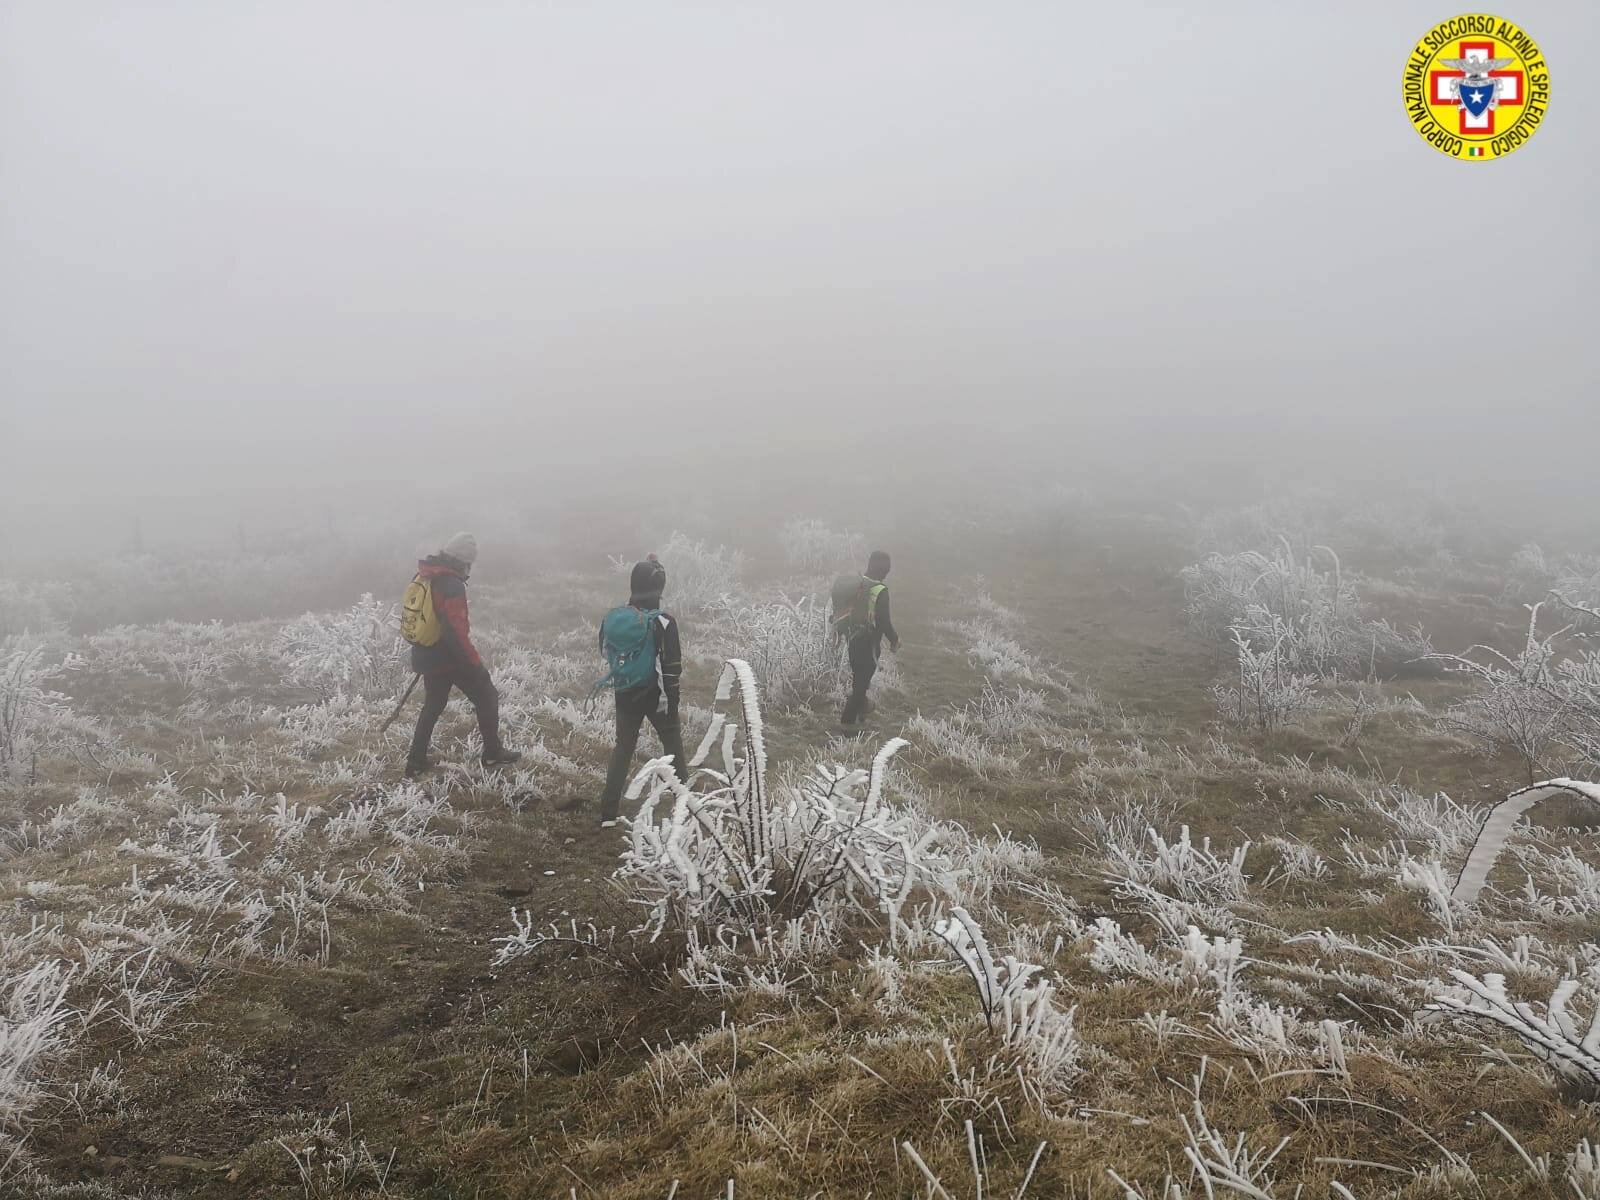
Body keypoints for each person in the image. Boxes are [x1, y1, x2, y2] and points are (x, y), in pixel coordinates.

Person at [563, 556, 685, 827]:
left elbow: (607, 651)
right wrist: (672, 702)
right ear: (659, 588)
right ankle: (684, 806)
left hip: (625, 691)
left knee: (623, 748)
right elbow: (672, 667)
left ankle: (608, 812)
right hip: (656, 694)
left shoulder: (616, 619)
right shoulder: (664, 622)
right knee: (672, 743)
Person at [404, 532, 521, 776]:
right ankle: (492, 753)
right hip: (448, 657)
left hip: (426, 652)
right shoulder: (451, 585)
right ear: (463, 561)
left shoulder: (426, 575)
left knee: (433, 706)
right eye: (470, 564)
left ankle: (415, 763)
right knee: (487, 696)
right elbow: (455, 632)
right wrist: (474, 665)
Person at [833, 550, 900, 729]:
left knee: (859, 680)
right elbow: (884, 622)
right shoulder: (880, 591)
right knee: (860, 687)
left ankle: (862, 713)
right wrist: (894, 639)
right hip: (868, 643)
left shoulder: (858, 584)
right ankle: (846, 727)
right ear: (886, 570)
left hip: (852, 640)